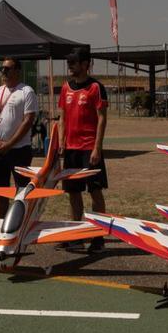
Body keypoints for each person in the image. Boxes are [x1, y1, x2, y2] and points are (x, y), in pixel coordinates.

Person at [58, 47, 108, 254]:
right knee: (73, 193)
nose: (70, 65)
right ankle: (76, 236)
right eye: (69, 62)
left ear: (86, 64)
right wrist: (61, 142)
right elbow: (62, 116)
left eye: (75, 62)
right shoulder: (65, 87)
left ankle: (98, 237)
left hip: (89, 149)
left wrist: (97, 147)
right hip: (71, 149)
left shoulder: (96, 87)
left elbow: (102, 118)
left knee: (95, 192)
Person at [0, 57, 38, 217]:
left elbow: (28, 121)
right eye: (2, 69)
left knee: (21, 192)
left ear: (17, 71)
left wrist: (8, 144)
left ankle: (19, 227)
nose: (4, 72)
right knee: (0, 192)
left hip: (19, 150)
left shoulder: (26, 91)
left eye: (7, 69)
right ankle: (1, 226)